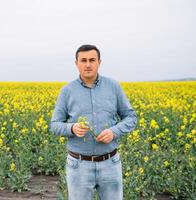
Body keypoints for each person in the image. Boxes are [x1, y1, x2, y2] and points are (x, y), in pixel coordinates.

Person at [50, 44, 137, 200]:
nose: (88, 64)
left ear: (99, 62)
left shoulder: (114, 87)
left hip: (110, 162)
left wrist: (113, 131)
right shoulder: (67, 91)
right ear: (76, 63)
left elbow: (131, 117)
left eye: (92, 60)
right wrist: (72, 128)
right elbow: (54, 125)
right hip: (78, 165)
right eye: (83, 60)